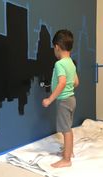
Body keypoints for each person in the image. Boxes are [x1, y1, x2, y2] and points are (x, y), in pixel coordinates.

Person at [42, 29, 79, 168]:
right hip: (71, 99)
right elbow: (76, 82)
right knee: (67, 127)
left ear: (57, 47)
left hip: (64, 101)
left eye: (54, 48)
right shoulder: (71, 63)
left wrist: (49, 99)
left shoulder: (59, 64)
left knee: (66, 130)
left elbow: (62, 82)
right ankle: (69, 151)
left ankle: (66, 159)